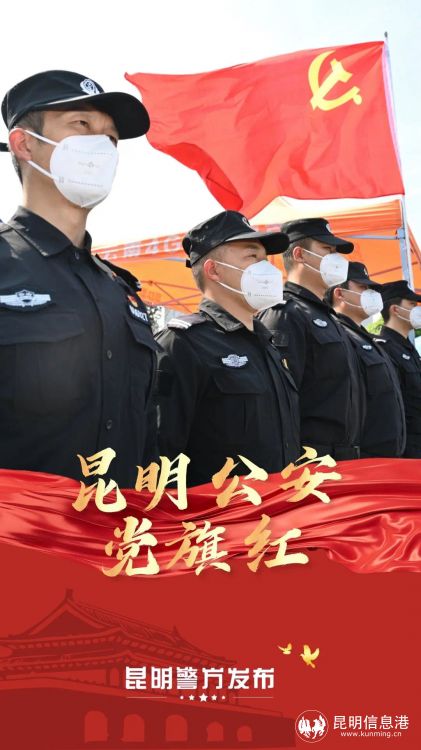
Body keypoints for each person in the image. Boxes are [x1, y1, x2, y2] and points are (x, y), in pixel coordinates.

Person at [0, 70, 159, 485]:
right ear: (25, 144)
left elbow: (145, 440)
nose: (101, 146)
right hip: (21, 526)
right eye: (81, 125)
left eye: (110, 138)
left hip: (118, 521)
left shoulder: (120, 291)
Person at [155, 210, 300, 486]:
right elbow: (161, 457)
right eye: (252, 257)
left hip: (281, 506)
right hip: (222, 511)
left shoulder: (268, 345)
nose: (267, 269)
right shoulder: (182, 344)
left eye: (265, 259)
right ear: (214, 270)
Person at [259, 218, 365, 460]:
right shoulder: (285, 313)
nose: (337, 259)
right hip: (310, 463)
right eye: (327, 249)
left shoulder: (329, 317)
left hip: (346, 460)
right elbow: (280, 404)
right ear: (300, 255)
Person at [324, 262, 406, 457]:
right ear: (339, 293)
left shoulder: (365, 337)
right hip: (364, 456)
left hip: (389, 455)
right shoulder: (338, 336)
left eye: (372, 289)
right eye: (363, 287)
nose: (371, 294)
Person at [374, 280, 421, 458]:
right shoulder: (384, 348)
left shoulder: (408, 348)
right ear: (395, 310)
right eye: (412, 304)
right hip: (407, 449)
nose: (417, 309)